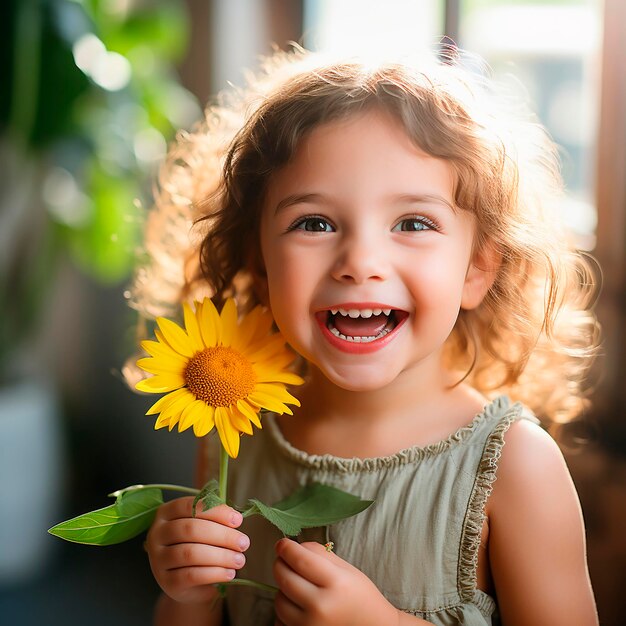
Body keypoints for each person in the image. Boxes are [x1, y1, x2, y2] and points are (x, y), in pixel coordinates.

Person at [133, 46, 600, 625]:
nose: (360, 262)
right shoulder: (234, 426)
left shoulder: (516, 468)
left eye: (412, 223)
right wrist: (188, 594)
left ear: (478, 268)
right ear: (259, 259)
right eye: (315, 223)